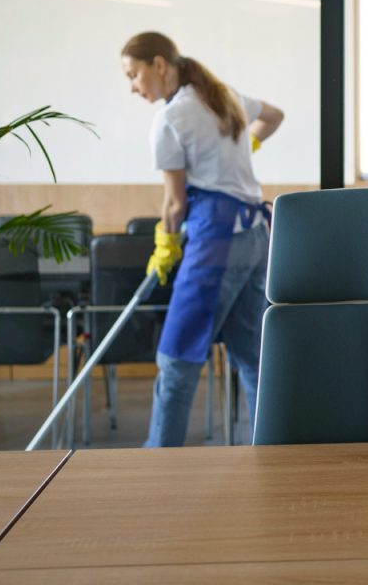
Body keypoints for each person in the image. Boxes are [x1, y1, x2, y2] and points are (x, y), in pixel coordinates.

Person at [120, 31, 284, 447]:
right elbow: (275, 115)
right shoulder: (222, 95)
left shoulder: (171, 119)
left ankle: (160, 458)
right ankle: (267, 450)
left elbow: (174, 205)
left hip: (216, 242)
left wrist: (165, 245)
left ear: (159, 65)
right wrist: (245, 146)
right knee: (251, 355)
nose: (133, 87)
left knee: (177, 356)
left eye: (134, 75)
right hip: (257, 236)